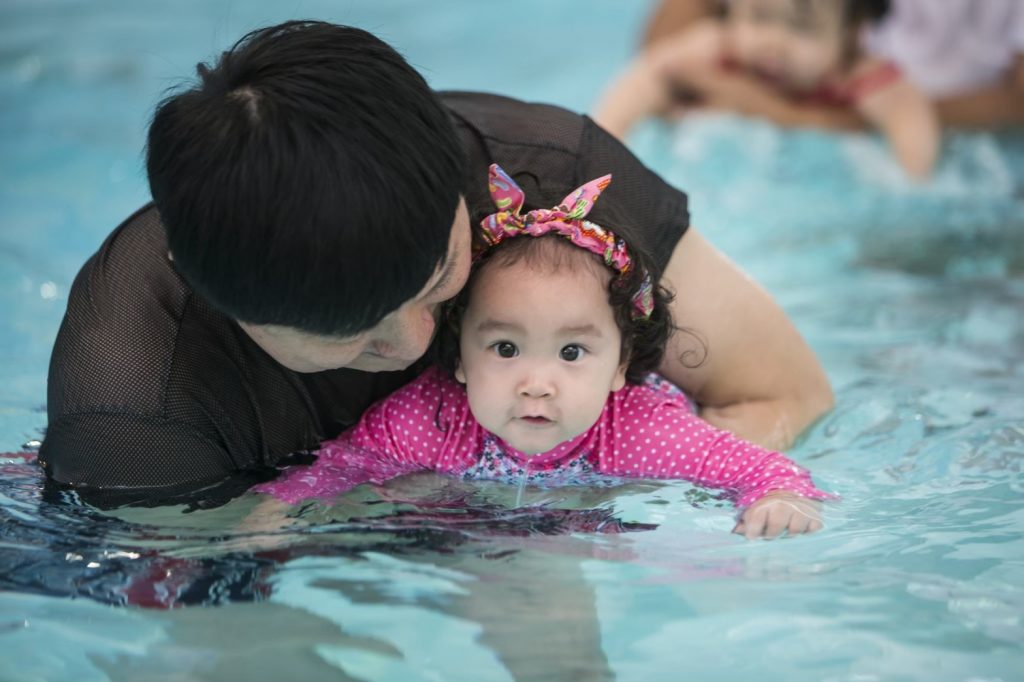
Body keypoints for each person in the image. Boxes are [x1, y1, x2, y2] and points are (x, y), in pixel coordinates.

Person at [40, 20, 833, 503]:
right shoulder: (136, 412)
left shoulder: (556, 195)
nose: (420, 343)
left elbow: (781, 392)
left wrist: (584, 493)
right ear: (205, 285)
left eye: (439, 279)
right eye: (351, 336)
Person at [253, 165, 833, 539]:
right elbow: (346, 461)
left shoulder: (641, 432)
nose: (537, 382)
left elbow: (766, 470)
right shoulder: (427, 419)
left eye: (573, 353)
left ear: (621, 368)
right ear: (458, 358)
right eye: (505, 347)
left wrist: (780, 499)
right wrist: (279, 508)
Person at [593, 0, 940, 179]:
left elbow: (907, 115)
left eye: (802, 27)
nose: (775, 42)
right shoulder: (717, 46)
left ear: (851, 34)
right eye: (760, 16)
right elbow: (643, 79)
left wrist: (912, 175)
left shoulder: (857, 72)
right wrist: (606, 146)